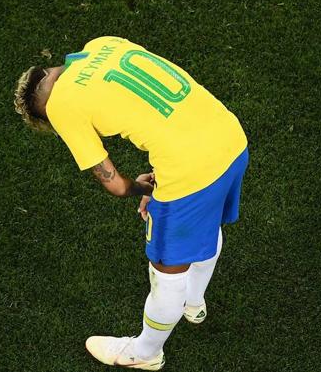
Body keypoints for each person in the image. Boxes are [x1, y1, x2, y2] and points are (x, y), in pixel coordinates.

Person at [14, 36, 248, 370]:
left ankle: (146, 353)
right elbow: (160, 113)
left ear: (44, 112)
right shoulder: (102, 44)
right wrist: (161, 179)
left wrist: (141, 189)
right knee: (207, 224)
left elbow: (115, 183)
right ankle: (194, 303)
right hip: (230, 136)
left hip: (191, 170)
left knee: (166, 272)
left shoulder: (59, 107)